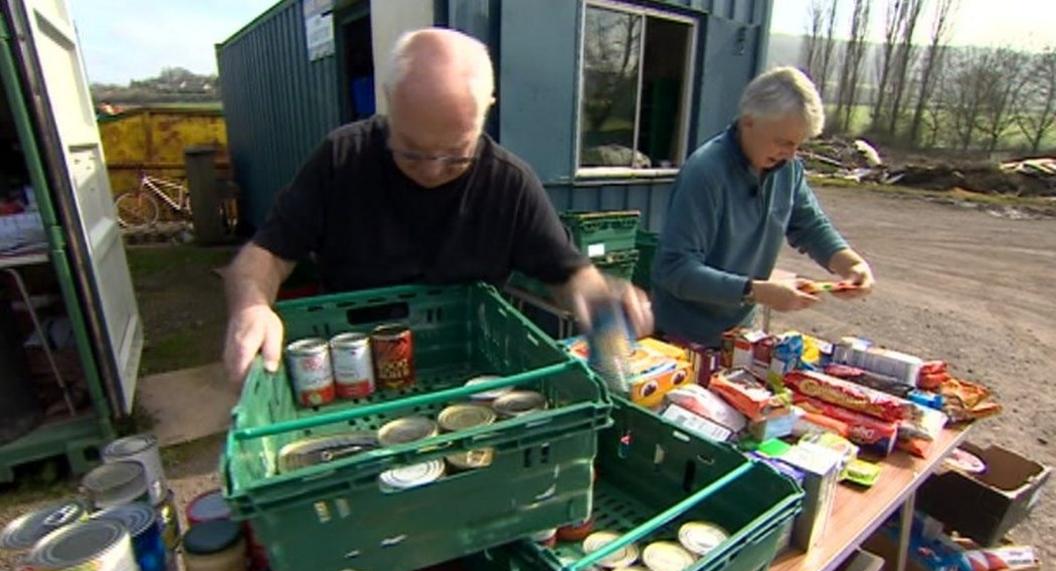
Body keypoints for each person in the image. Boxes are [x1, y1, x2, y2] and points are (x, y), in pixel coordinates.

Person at [223, 28, 652, 383]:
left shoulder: (509, 183)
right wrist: (252, 306)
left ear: (487, 111)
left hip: (465, 379)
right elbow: (264, 255)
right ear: (390, 100)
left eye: (456, 155)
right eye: (410, 151)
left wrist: (600, 296)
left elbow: (569, 273)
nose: (431, 170)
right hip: (354, 376)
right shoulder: (341, 159)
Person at [651, 67, 875, 347]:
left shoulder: (787, 170)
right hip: (682, 337)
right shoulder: (705, 173)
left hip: (739, 333)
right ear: (748, 122)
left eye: (797, 145)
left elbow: (811, 226)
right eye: (782, 142)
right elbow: (675, 270)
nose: (790, 154)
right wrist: (755, 291)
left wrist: (851, 263)